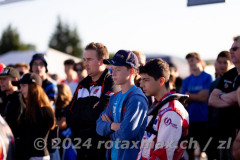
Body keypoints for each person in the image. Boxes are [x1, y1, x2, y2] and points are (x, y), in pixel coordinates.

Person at [66, 42, 119, 160]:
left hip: (102, 150)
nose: (85, 64)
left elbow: (100, 115)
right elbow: (69, 115)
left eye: (89, 59)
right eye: (84, 59)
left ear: (102, 61)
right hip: (81, 147)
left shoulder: (112, 82)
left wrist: (81, 111)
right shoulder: (82, 84)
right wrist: (90, 111)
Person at [96, 50, 148, 160]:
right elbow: (98, 126)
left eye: (118, 70)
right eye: (112, 69)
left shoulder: (137, 99)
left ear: (131, 71)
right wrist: (113, 126)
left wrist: (109, 132)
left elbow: (126, 133)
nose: (112, 73)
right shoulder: (114, 97)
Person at [136, 58, 189, 160]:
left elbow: (164, 154)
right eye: (141, 80)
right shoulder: (158, 105)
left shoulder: (172, 111)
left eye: (146, 80)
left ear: (161, 81)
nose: (141, 84)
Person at [209, 36, 240, 160]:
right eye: (230, 49)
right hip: (224, 131)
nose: (230, 52)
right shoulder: (230, 74)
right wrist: (233, 97)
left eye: (235, 48)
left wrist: (222, 96)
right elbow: (212, 99)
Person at [13, 73, 55, 160]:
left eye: (24, 86)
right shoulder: (31, 109)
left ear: (33, 87)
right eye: (20, 86)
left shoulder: (43, 110)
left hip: (37, 156)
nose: (21, 89)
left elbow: (31, 140)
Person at [181, 52, 212, 159]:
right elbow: (183, 100)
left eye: (192, 60)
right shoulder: (187, 80)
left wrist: (190, 96)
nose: (190, 63)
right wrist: (196, 95)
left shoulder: (208, 77)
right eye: (189, 61)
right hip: (191, 121)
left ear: (199, 60)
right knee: (190, 152)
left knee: (208, 151)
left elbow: (204, 97)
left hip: (204, 120)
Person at [206, 51, 232, 159]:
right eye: (220, 62)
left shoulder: (234, 80)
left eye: (225, 63)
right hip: (216, 126)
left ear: (230, 63)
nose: (222, 65)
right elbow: (210, 107)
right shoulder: (213, 84)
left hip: (230, 127)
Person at [0, 67, 25, 137]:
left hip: (16, 142)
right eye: (0, 79)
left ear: (15, 80)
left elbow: (13, 124)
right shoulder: (3, 98)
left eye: (4, 79)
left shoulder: (19, 99)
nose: (1, 82)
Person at [55, 83, 72, 158]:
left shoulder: (69, 107)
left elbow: (62, 124)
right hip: (56, 138)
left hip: (66, 139)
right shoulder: (55, 107)